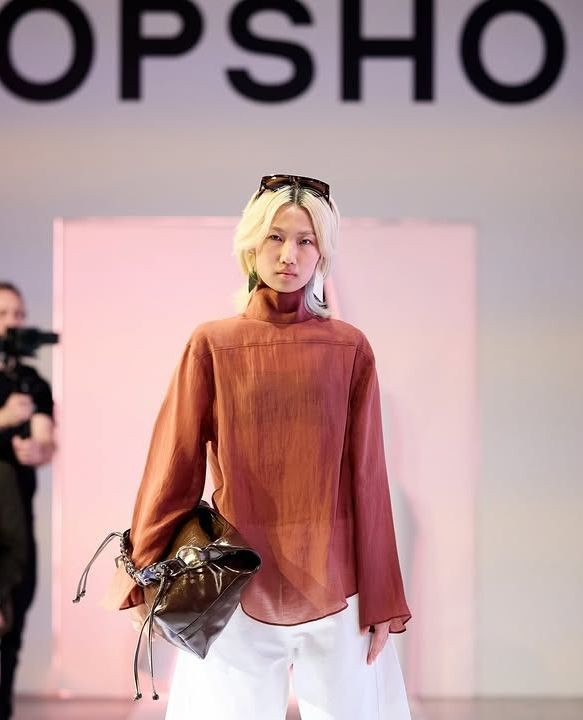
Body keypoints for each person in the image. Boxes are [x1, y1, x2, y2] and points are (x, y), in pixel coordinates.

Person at [111, 175, 412, 719]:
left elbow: (367, 479)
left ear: (323, 253)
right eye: (275, 237)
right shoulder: (212, 344)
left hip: (337, 590)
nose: (289, 254)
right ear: (251, 243)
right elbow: (174, 464)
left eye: (305, 240)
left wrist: (382, 596)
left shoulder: (350, 348)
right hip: (234, 587)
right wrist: (144, 569)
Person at [0, 282, 55, 720]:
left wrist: (36, 447)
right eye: (3, 314)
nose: (12, 323)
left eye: (18, 314)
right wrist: (4, 418)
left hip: (15, 526)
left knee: (12, 630)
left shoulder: (32, 383)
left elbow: (45, 440)